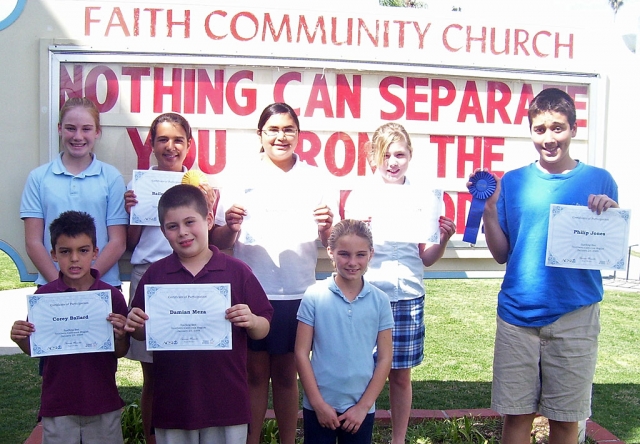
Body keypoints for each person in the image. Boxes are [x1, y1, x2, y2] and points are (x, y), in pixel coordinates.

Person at [471, 87, 619, 444]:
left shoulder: (600, 180)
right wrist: (489, 210)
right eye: (540, 129)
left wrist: (609, 215)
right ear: (530, 130)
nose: (549, 138)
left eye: (558, 128)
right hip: (517, 316)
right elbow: (501, 253)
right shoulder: (513, 182)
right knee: (517, 416)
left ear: (573, 128)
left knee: (566, 420)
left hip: (575, 315)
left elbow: (608, 246)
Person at [211, 102, 334, 444]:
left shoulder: (314, 178)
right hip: (252, 291)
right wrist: (231, 226)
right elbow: (218, 242)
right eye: (273, 130)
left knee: (287, 374)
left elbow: (329, 241)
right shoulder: (240, 176)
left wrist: (327, 228)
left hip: (297, 291)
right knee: (253, 374)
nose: (281, 136)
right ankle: (251, 440)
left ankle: (286, 441)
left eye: (288, 129)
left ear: (299, 134)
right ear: (260, 135)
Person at [125, 184, 273, 444]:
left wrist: (251, 320)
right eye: (172, 226)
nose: (182, 232)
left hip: (227, 403)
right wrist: (136, 324)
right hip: (173, 403)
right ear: (163, 232)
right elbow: (140, 334)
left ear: (207, 220)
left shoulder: (237, 272)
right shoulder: (155, 275)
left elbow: (264, 326)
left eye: (189, 222)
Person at [341, 122, 456, 444]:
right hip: (367, 294)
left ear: (409, 156)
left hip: (407, 294)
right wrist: (357, 230)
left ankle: (398, 439)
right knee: (362, 372)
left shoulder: (423, 195)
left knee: (400, 376)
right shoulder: (360, 196)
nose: (393, 161)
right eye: (386, 154)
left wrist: (443, 238)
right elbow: (349, 255)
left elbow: (428, 257)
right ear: (374, 158)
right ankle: (357, 434)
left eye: (400, 154)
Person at [123, 112, 218, 444]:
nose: (170, 146)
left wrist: (213, 207)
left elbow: (214, 240)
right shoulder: (138, 185)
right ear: (151, 145)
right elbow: (130, 244)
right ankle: (154, 438)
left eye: (178, 139)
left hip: (192, 279)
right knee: (154, 375)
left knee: (191, 369)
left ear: (189, 145)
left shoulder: (199, 185)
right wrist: (132, 211)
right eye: (162, 139)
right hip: (150, 278)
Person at [10, 210, 129, 444]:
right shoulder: (43, 297)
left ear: (95, 252)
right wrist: (22, 338)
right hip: (58, 404)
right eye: (65, 251)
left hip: (102, 402)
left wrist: (121, 335)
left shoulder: (111, 296)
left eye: (83, 250)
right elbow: (36, 349)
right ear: (54, 254)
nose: (74, 259)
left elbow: (121, 351)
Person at [295, 219, 393, 444]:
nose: (352, 262)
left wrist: (363, 407)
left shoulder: (380, 301)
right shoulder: (314, 296)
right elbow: (301, 353)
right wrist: (318, 404)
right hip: (319, 408)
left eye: (360, 254)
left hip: (359, 410)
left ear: (371, 254)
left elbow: (385, 357)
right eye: (344, 254)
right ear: (330, 252)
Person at [20, 97, 128, 289]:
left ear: (97, 132)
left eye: (86, 129)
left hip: (103, 285)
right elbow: (33, 242)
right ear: (60, 128)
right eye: (71, 128)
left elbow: (118, 241)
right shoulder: (38, 178)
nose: (78, 136)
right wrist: (61, 286)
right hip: (52, 286)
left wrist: (89, 282)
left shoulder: (111, 178)